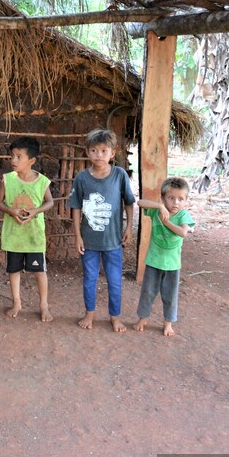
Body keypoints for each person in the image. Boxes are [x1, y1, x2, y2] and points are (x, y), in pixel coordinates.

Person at [67, 128, 135, 332]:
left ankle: (115, 316)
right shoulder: (81, 178)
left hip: (113, 241)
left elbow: (129, 202)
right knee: (89, 279)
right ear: (87, 152)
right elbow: (76, 208)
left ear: (113, 153)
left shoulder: (119, 175)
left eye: (104, 151)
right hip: (89, 241)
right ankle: (90, 313)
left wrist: (129, 227)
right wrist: (78, 236)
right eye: (94, 150)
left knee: (115, 281)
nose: (99, 155)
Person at [0, 137, 55, 321]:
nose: (13, 160)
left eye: (18, 156)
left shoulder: (42, 182)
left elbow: (50, 202)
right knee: (13, 270)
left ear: (32, 161)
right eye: (12, 156)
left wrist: (35, 211)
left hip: (34, 237)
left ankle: (44, 305)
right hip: (14, 236)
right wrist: (10, 210)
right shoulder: (7, 180)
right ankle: (17, 302)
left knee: (39, 271)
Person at [134, 177, 195, 336]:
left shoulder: (183, 215)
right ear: (163, 198)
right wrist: (160, 207)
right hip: (154, 261)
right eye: (171, 198)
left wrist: (166, 222)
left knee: (170, 296)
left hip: (172, 265)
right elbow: (140, 203)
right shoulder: (157, 210)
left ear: (186, 201)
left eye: (181, 199)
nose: (176, 203)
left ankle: (168, 323)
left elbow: (183, 233)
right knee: (148, 292)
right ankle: (143, 318)